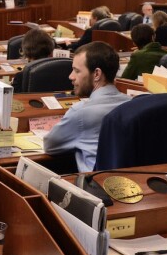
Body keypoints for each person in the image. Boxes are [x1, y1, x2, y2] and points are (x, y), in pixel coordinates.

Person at [43, 41, 131, 172]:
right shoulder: (131, 104)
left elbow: (49, 145)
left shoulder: (81, 112)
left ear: (96, 74)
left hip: (92, 188)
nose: (70, 76)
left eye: (76, 71)